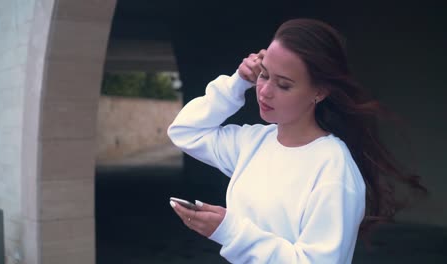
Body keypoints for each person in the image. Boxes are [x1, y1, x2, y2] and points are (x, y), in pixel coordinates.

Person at [167, 18, 426, 263]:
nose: (265, 91)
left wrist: (230, 231)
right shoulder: (253, 143)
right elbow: (185, 132)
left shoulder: (332, 168)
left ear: (320, 91)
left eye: (284, 85)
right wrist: (237, 82)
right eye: (264, 75)